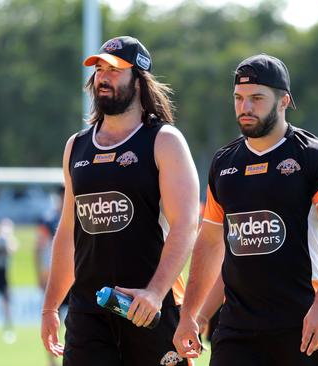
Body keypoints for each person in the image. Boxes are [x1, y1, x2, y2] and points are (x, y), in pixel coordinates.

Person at [173, 54, 318, 366]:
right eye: (239, 98)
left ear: (284, 101)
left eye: (257, 98)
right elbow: (211, 244)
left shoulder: (317, 158)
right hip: (235, 330)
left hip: (301, 326)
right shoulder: (224, 163)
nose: (245, 108)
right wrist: (195, 314)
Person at [39, 36, 200, 366]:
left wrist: (155, 293)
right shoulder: (77, 146)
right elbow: (68, 230)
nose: (102, 77)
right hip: (89, 312)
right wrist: (51, 306)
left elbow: (186, 225)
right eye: (99, 69)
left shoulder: (164, 141)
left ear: (138, 81)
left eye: (113, 70)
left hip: (149, 310)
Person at [35, 186, 67, 366]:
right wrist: (40, 273)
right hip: (53, 277)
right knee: (53, 322)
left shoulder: (77, 216)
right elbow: (39, 248)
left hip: (74, 276)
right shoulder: (49, 220)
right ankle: (52, 363)